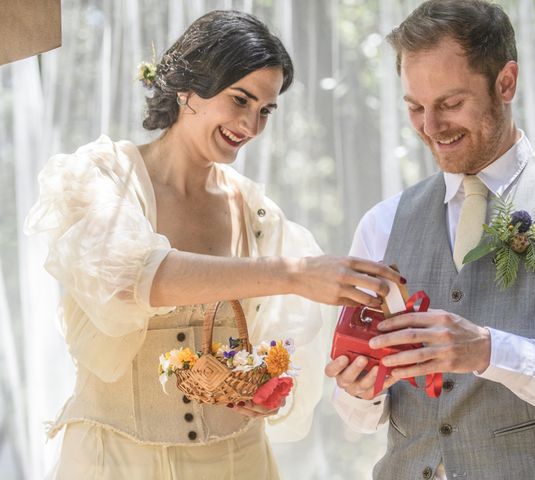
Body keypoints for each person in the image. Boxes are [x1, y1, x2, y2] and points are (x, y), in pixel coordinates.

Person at [25, 10, 402, 480]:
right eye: (240, 100)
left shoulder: (256, 213)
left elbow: (282, 340)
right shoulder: (102, 179)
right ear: (188, 89)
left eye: (265, 110)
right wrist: (296, 273)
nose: (251, 124)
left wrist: (263, 388)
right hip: (114, 461)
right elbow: (134, 280)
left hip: (236, 461)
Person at [325, 1, 535, 479]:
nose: (430, 128)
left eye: (451, 104)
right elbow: (358, 414)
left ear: (506, 83)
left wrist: (490, 351)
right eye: (415, 107)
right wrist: (358, 389)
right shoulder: (381, 223)